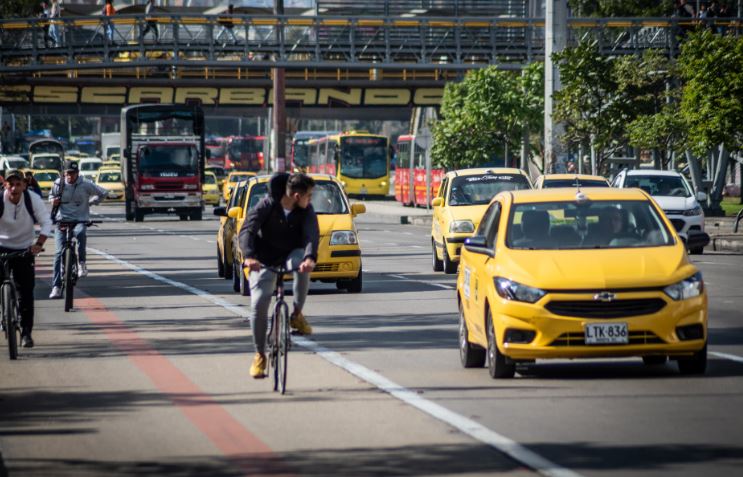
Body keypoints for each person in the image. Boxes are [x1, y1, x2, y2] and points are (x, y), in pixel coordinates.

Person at [238, 173, 319, 378]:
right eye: (309, 196)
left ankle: (297, 314)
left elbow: (311, 234)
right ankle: (259, 356)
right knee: (259, 302)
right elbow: (247, 230)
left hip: (292, 255)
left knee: (302, 265)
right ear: (297, 196)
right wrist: (249, 257)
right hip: (263, 259)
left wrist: (310, 258)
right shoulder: (267, 205)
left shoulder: (306, 211)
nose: (311, 200)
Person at [0, 170, 53, 348]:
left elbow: (46, 222)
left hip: (24, 249)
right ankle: (3, 312)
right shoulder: (0, 199)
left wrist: (38, 244)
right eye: (10, 184)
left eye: (18, 184)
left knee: (26, 293)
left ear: (24, 185)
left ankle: (26, 333)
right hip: (1, 247)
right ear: (5, 184)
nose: (14, 188)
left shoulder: (32, 200)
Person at [48, 160, 108, 299]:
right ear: (64, 173)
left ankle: (82, 263)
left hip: (79, 220)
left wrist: (92, 202)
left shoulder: (85, 184)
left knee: (81, 233)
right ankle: (56, 287)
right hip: (62, 221)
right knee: (57, 254)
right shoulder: (58, 183)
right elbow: (50, 197)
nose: (70, 176)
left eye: (73, 173)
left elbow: (103, 192)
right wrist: (53, 201)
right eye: (68, 173)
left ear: (77, 173)